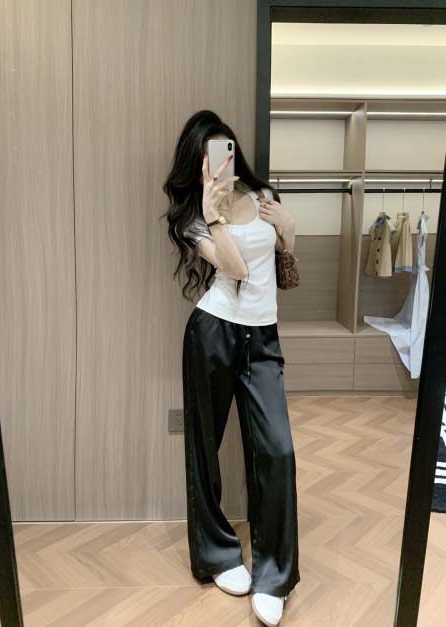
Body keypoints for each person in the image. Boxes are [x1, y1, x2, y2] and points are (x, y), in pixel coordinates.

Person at [162, 110, 300, 626]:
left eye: (227, 150)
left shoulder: (261, 197)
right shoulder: (191, 217)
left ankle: (275, 574)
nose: (223, 162)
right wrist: (213, 214)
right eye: (211, 156)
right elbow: (237, 270)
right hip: (213, 333)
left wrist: (289, 229)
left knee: (277, 451)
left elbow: (281, 266)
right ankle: (217, 555)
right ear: (197, 163)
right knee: (204, 449)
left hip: (263, 338)